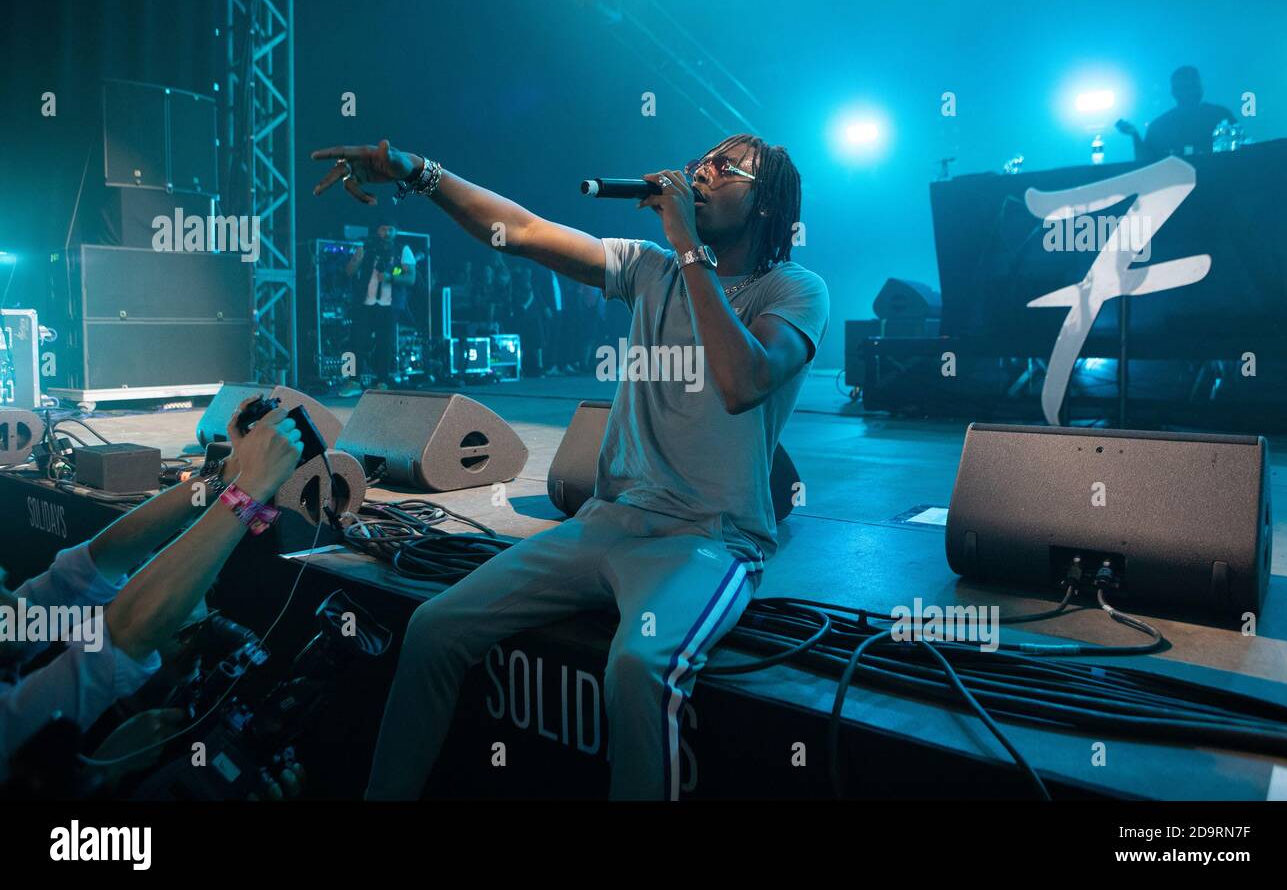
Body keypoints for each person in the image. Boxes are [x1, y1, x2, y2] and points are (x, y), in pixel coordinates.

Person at [311, 134, 828, 800]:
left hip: (709, 539)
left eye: (724, 170)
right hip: (607, 521)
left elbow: (741, 379)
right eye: (699, 161)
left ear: (767, 205)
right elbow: (520, 231)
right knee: (435, 627)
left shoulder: (794, 288)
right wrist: (419, 171)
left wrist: (688, 250)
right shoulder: (650, 267)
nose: (700, 173)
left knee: (639, 666)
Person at [0, 398, 303, 781]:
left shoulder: (7, 625)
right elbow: (129, 633)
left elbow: (94, 563)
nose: (12, 600)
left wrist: (225, 475)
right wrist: (251, 489)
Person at [340, 224, 417, 396]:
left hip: (389, 305)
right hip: (365, 304)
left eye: (390, 230)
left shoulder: (402, 250)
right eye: (383, 229)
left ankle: (382, 381)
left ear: (396, 231)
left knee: (385, 344)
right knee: (355, 343)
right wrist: (356, 259)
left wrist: (391, 277)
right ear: (377, 231)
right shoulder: (366, 248)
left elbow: (411, 278)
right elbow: (349, 271)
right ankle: (353, 381)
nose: (387, 233)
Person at [1116, 65, 1235, 161]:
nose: (1191, 91)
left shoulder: (1221, 116)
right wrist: (1135, 136)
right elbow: (1146, 164)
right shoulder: (1159, 126)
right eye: (1186, 87)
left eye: (1194, 85)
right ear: (1174, 92)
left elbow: (1241, 152)